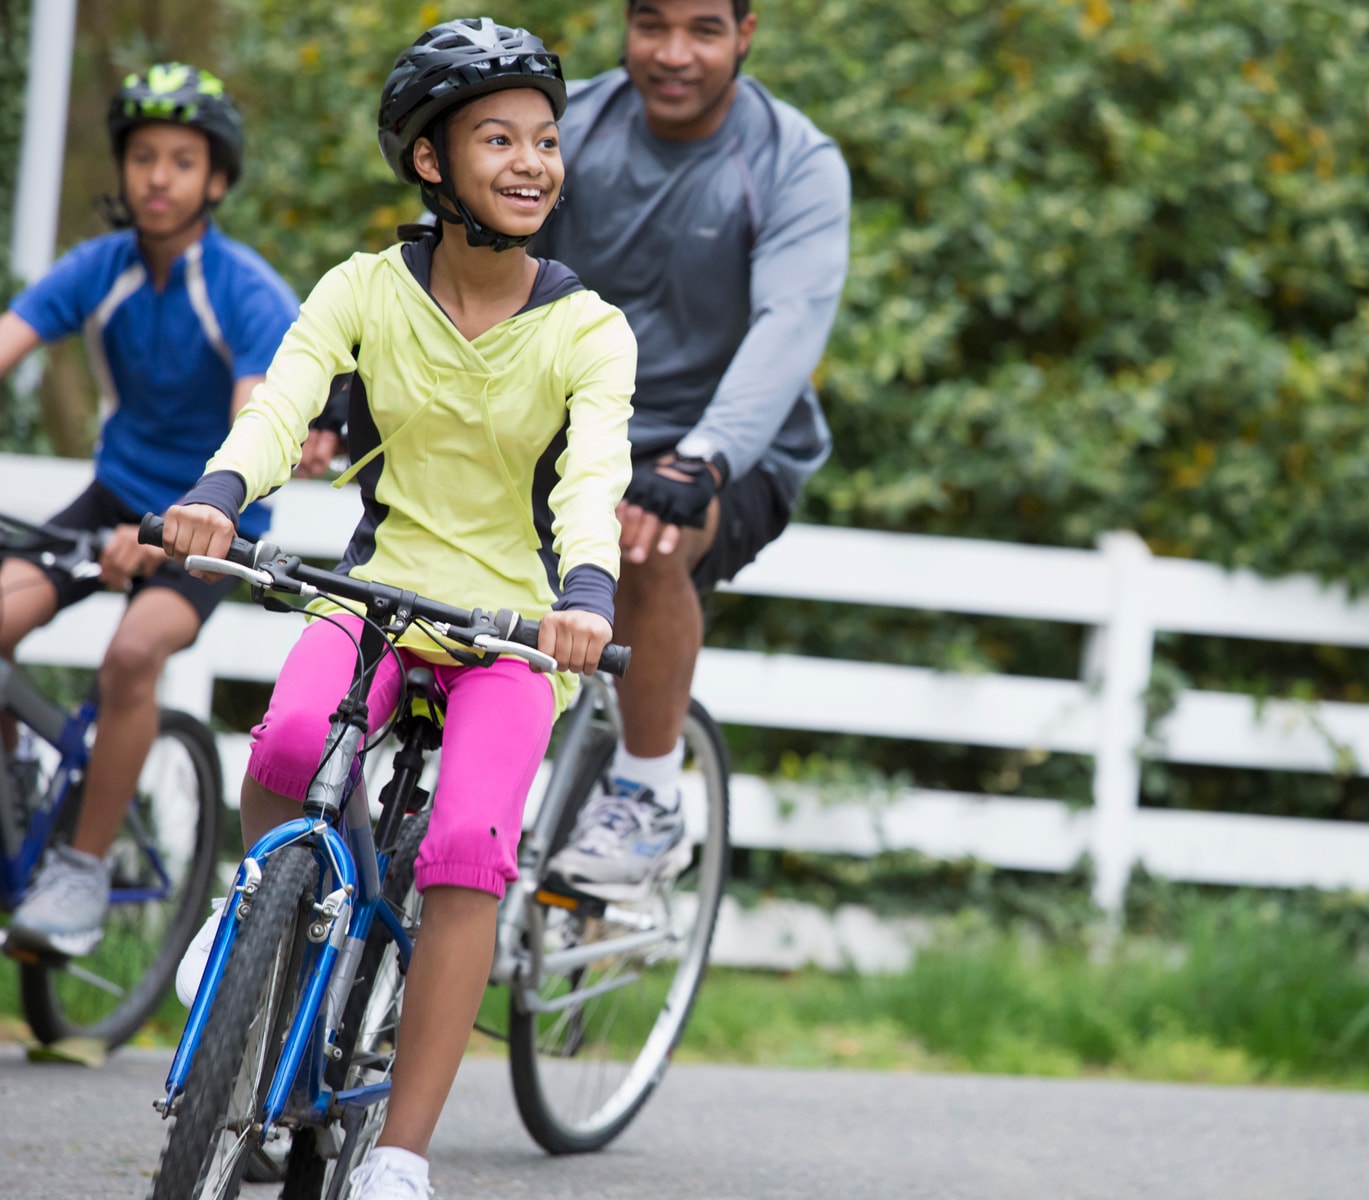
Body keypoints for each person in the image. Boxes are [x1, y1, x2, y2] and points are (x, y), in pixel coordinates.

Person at [158, 19, 633, 1199]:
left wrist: (585, 596)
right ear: (432, 161)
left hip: (517, 632)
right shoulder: (364, 287)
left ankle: (405, 1154)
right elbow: (281, 408)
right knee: (283, 738)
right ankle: (251, 907)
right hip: (378, 595)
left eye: (545, 139)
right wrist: (221, 494)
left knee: (470, 847)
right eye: (498, 139)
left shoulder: (587, 330)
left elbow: (592, 484)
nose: (533, 162)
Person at [537, 0, 851, 895]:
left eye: (704, 30)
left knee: (644, 537)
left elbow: (788, 327)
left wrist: (703, 456)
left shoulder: (794, 162)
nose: (673, 55)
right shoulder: (567, 130)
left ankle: (645, 798)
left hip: (727, 445)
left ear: (746, 35)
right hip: (578, 426)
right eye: (651, 25)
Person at [0, 64, 299, 958]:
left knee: (134, 654)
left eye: (180, 160)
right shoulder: (98, 269)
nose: (157, 177)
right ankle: (21, 780)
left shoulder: (244, 288)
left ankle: (85, 867)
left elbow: (261, 425)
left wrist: (182, 528)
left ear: (215, 179)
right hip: (113, 496)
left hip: (216, 513)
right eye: (141, 158)